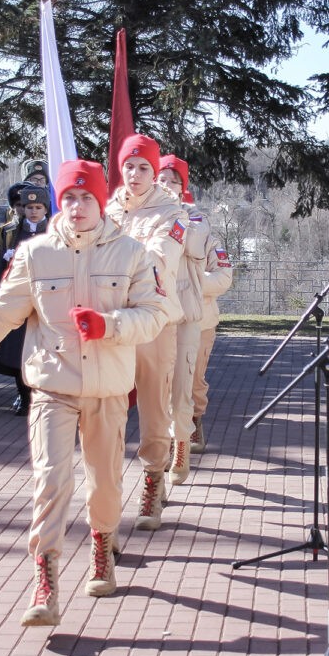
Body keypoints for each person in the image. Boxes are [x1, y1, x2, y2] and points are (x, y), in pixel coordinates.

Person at [0, 160, 168, 626]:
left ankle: (102, 547)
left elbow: (154, 314)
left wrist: (110, 325)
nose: (77, 206)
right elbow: (0, 311)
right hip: (52, 385)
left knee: (103, 483)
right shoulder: (36, 254)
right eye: (68, 197)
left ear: (100, 200)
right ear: (56, 201)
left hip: (107, 388)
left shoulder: (132, 253)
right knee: (50, 481)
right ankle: (45, 582)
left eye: (87, 197)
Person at [104, 134, 187, 530]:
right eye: (129, 166)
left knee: (154, 405)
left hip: (153, 320)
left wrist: (111, 256)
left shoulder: (172, 212)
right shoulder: (106, 210)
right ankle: (110, 487)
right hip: (113, 322)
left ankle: (154, 478)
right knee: (111, 407)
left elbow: (159, 258)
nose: (134, 174)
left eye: (143, 168)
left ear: (155, 172)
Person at [157, 154, 208, 487]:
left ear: (183, 187)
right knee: (154, 390)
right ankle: (158, 451)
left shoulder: (195, 217)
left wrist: (174, 214)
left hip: (186, 311)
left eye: (173, 181)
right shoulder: (144, 214)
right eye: (161, 180)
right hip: (153, 310)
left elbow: (193, 246)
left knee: (181, 387)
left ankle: (180, 445)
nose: (166, 186)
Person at [0, 184, 50, 415]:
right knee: (17, 351)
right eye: (28, 207)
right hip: (18, 302)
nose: (33, 211)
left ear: (46, 208)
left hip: (45, 302)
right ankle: (24, 397)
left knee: (44, 351)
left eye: (38, 207)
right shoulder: (8, 234)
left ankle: (41, 396)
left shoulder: (55, 232)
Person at [188, 187, 234, 454]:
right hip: (163, 321)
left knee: (195, 377)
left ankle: (194, 421)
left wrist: (186, 282)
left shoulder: (209, 241)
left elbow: (223, 278)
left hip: (200, 321)